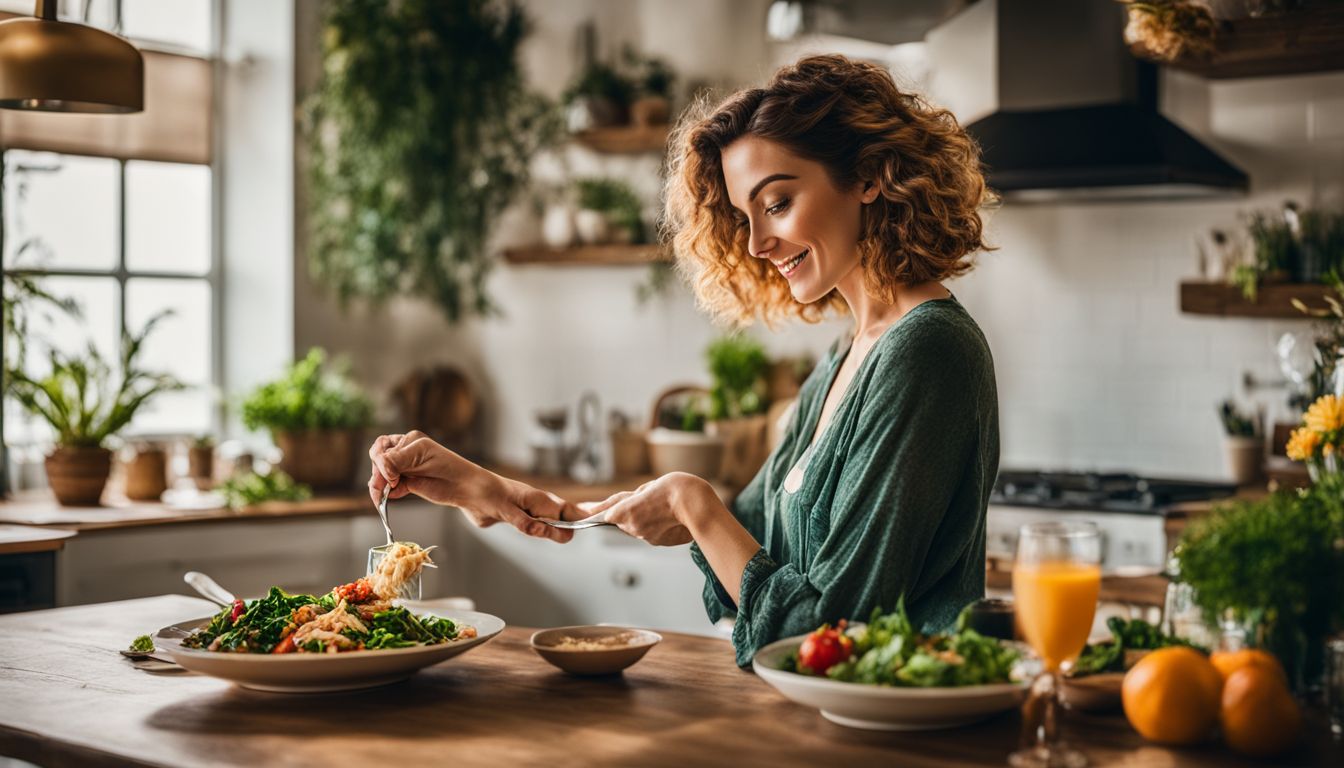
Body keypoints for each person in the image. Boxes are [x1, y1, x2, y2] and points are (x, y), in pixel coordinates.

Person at [369, 53, 998, 667]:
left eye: (777, 203)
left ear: (868, 175)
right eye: (744, 215)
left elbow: (826, 638)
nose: (755, 244)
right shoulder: (849, 353)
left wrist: (694, 502)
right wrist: (496, 492)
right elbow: (744, 535)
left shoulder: (927, 351)